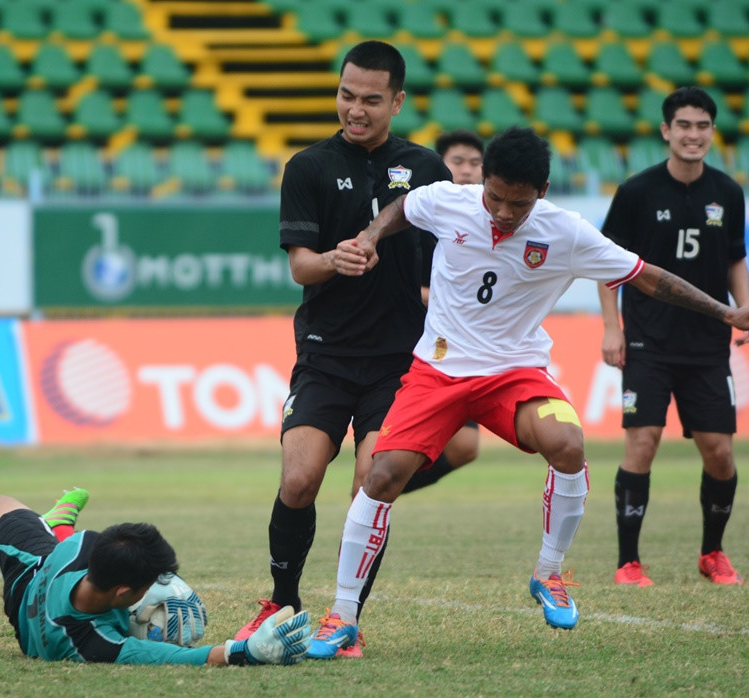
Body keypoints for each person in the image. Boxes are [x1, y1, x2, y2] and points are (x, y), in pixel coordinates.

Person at [306, 126, 749, 655]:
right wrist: (372, 235)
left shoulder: (567, 232)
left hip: (515, 372)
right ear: (483, 181)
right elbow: (405, 207)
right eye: (494, 197)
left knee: (569, 444)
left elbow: (646, 275)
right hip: (438, 371)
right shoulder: (449, 200)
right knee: (379, 477)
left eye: (518, 204)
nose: (503, 212)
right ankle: (343, 616)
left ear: (542, 191)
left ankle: (549, 572)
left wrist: (724, 311)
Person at [233, 40, 452, 659]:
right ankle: (282, 601)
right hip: (325, 355)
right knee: (300, 478)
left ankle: (345, 618)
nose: (355, 109)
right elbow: (300, 267)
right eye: (346, 95)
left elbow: (452, 257)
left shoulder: (427, 169)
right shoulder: (307, 166)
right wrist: (335, 258)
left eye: (371, 100)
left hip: (400, 362)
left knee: (370, 485)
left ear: (397, 102)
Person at [0, 488, 312, 666]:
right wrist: (246, 651)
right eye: (150, 584)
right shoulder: (93, 643)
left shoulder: (87, 547)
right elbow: (179, 657)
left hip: (35, 571)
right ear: (123, 593)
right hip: (36, 592)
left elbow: (73, 546)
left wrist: (61, 532)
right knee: (31, 525)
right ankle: (54, 522)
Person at [597, 86, 747, 587]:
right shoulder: (636, 192)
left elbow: (734, 258)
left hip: (707, 346)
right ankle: (628, 562)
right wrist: (612, 328)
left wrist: (741, 311)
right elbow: (608, 265)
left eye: (702, 126)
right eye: (684, 125)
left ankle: (712, 554)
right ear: (666, 131)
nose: (693, 134)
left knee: (719, 452)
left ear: (713, 132)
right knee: (643, 442)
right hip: (648, 343)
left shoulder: (728, 193)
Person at [400, 129, 486, 493]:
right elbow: (399, 286)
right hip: (409, 343)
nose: (467, 170)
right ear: (438, 166)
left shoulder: (493, 222)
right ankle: (372, 493)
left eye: (475, 163)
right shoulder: (419, 219)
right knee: (397, 446)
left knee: (465, 447)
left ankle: (377, 491)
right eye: (457, 161)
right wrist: (441, 298)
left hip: (460, 347)